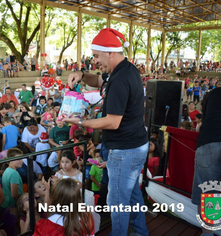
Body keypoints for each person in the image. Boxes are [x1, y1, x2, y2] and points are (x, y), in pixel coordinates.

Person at [64, 28, 149, 236]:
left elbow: (112, 122)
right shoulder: (123, 70)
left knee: (117, 200)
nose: (95, 61)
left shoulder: (120, 79)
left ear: (110, 52)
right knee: (131, 195)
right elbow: (99, 81)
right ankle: (140, 232)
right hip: (135, 145)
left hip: (125, 149)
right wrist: (82, 75)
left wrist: (81, 121)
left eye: (96, 56)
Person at [191, 69, 221, 236]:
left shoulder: (212, 94)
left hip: (208, 143)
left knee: (209, 192)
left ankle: (207, 234)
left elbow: (205, 118)